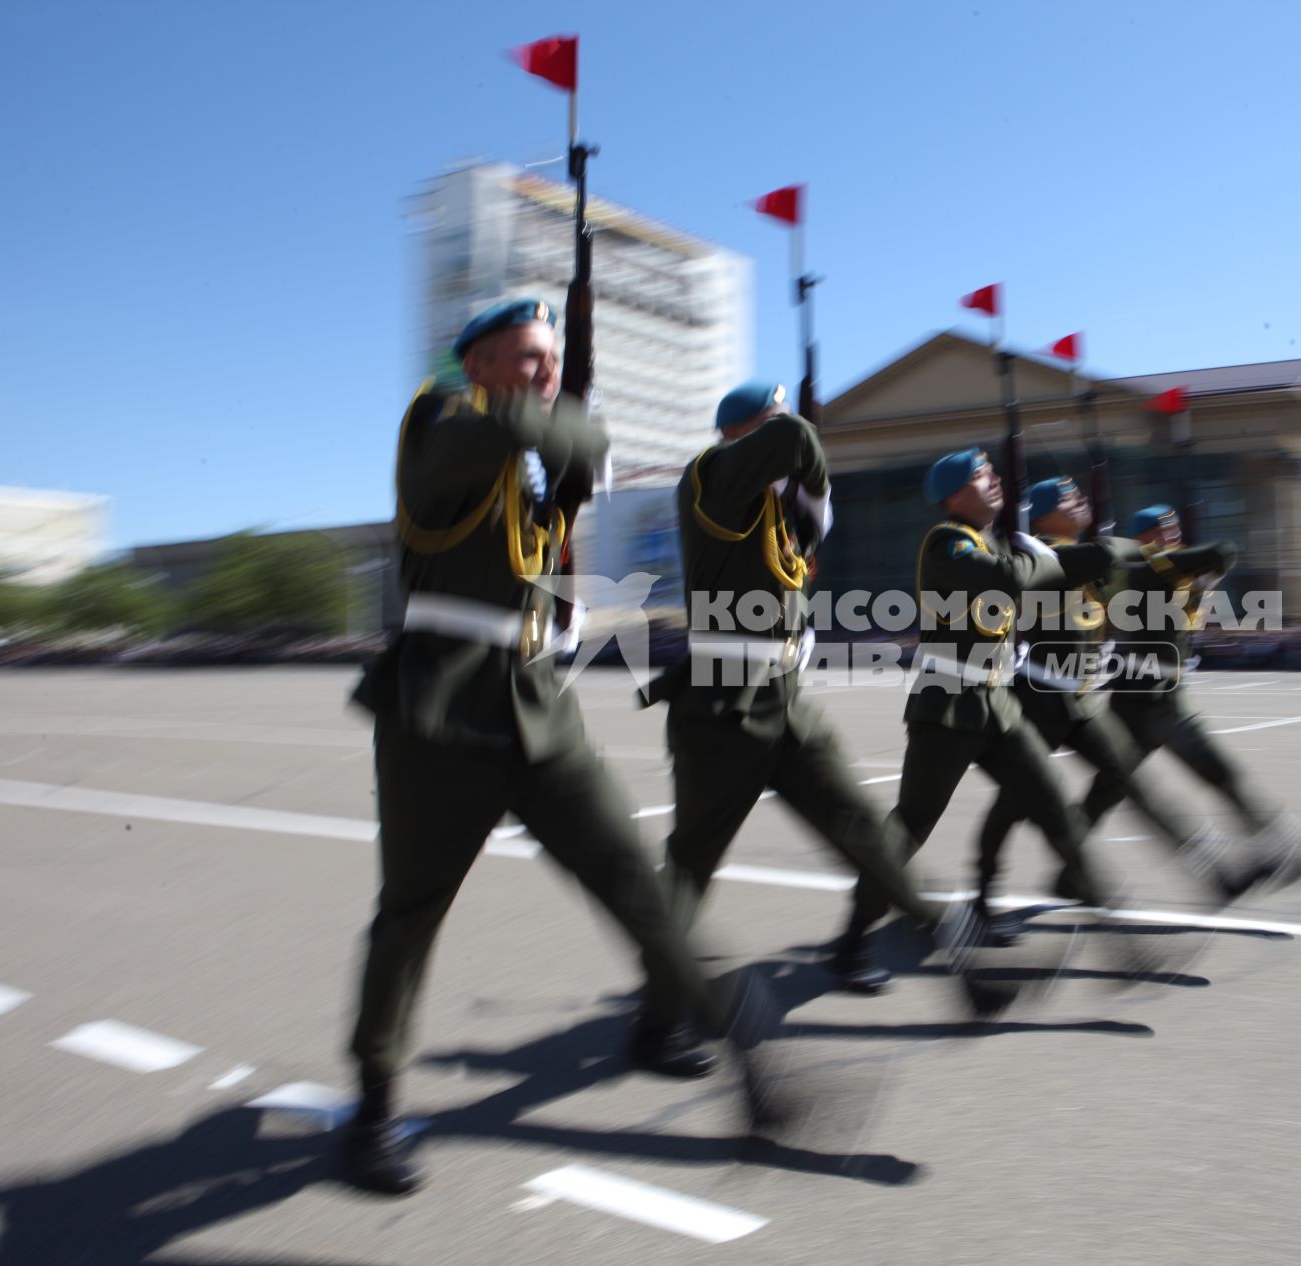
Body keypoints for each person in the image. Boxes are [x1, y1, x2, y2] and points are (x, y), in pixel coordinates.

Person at [344, 300, 781, 1196]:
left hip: (539, 711)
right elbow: (516, 432)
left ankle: (746, 1048)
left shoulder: (539, 462)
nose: (541, 371)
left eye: (551, 357)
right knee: (412, 914)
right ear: (478, 365)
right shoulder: (442, 420)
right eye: (524, 356)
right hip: (441, 711)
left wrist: (572, 420)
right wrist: (561, 403)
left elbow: (578, 455)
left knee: (639, 886)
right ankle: (374, 1107)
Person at [637, 382, 1015, 1070]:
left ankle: (957, 959)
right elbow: (797, 442)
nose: (782, 428)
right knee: (691, 866)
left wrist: (808, 499)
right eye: (769, 418)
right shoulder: (712, 478)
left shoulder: (777, 514)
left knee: (867, 833)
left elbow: (798, 490)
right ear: (741, 434)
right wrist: (800, 449)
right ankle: (655, 1021)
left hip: (783, 697)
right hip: (721, 702)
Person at [831, 450, 1155, 989]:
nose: (995, 480)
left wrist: (1111, 549)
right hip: (948, 703)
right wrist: (1053, 556)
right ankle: (850, 941)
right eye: (982, 475)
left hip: (998, 703)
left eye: (992, 472)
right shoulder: (947, 543)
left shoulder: (1002, 545)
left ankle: (1119, 942)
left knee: (1054, 806)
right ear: (954, 494)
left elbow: (1064, 569)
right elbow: (1009, 580)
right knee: (911, 825)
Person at [970, 478, 1264, 938]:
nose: (1081, 500)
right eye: (1069, 498)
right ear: (1045, 515)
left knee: (1131, 780)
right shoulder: (1040, 554)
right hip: (1039, 698)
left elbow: (1128, 582)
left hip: (1082, 699)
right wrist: (1144, 553)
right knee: (1014, 800)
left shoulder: (1084, 556)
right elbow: (1106, 559)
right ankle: (982, 891)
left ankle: (1213, 875)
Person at [1077, 505, 1301, 892]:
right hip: (1143, 698)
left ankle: (1069, 865)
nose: (1173, 535)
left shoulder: (1159, 570)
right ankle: (1284, 851)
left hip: (1159, 695)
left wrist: (1202, 582)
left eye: (1174, 529)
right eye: (1164, 529)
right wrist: (1209, 572)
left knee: (1113, 789)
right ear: (1144, 537)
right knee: (1207, 772)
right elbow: (1223, 551)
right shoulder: (1149, 565)